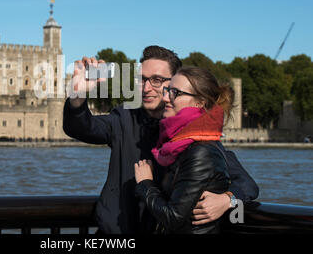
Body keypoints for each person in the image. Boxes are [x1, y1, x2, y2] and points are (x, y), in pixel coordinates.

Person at [63, 46, 259, 234]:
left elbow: (247, 184)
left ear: (174, 84)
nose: (147, 88)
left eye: (156, 80)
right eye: (142, 79)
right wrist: (78, 94)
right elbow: (81, 128)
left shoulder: (195, 137)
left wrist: (228, 201)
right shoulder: (125, 118)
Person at [135, 66, 234, 233]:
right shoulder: (179, 142)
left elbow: (173, 217)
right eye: (167, 90)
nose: (165, 98)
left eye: (175, 93)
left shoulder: (201, 151)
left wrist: (145, 184)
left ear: (200, 102)